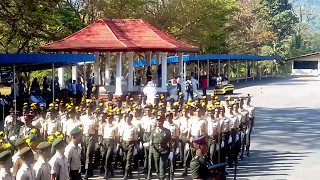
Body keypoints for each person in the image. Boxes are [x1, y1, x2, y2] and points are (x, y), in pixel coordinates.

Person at [148, 115, 172, 180]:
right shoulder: (153, 131)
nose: (158, 123)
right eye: (157, 121)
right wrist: (148, 145)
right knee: (157, 167)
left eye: (160, 121)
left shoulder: (167, 131)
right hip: (155, 151)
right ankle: (159, 175)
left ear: (163, 122)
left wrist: (171, 152)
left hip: (164, 150)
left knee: (162, 166)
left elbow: (170, 142)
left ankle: (162, 177)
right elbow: (151, 141)